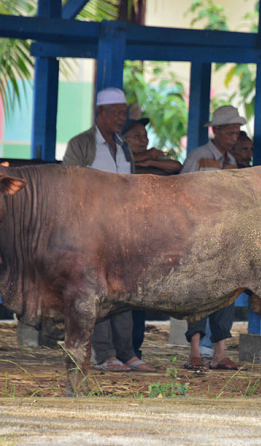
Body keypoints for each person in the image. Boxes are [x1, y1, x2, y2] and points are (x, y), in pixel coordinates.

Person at [63, 87, 153, 373]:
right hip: (91, 230)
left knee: (122, 291)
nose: (120, 118)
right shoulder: (81, 144)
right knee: (97, 291)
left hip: (122, 230)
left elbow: (133, 184)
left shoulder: (123, 145)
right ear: (99, 113)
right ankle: (105, 354)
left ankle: (127, 353)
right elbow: (68, 183)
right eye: (115, 113)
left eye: (123, 113)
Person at [181, 105, 245, 372]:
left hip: (224, 236)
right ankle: (195, 351)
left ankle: (219, 353)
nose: (234, 138)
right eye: (230, 133)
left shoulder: (231, 163)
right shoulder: (198, 157)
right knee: (197, 293)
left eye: (236, 133)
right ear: (215, 131)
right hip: (197, 234)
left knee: (226, 294)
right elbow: (180, 193)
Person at [119, 109, 181, 362]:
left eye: (144, 135)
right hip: (120, 236)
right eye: (135, 136)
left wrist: (145, 160)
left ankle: (135, 348)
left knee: (138, 298)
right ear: (122, 139)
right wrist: (142, 162)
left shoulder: (152, 157)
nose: (143, 140)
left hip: (146, 239)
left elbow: (175, 165)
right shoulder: (119, 162)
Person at [121, 106, 182, 175]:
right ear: (124, 139)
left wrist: (151, 162)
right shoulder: (118, 155)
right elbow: (126, 161)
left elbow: (177, 166)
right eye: (137, 136)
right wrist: (147, 155)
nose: (143, 140)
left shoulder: (152, 156)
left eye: (145, 136)